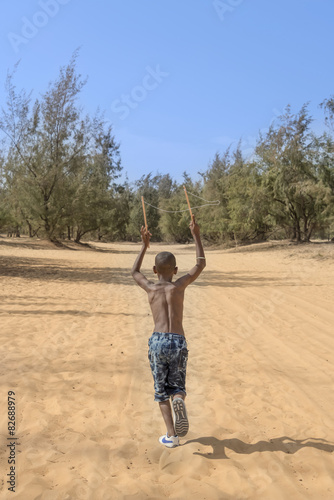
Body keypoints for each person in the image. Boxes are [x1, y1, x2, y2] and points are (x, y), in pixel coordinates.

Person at [131, 215, 206, 448]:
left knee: (160, 390)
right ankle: (179, 399)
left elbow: (134, 272)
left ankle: (171, 435)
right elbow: (200, 264)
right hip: (178, 340)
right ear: (175, 270)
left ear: (154, 270)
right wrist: (196, 235)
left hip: (157, 341)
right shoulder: (179, 286)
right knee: (177, 385)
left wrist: (143, 246)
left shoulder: (151, 288)